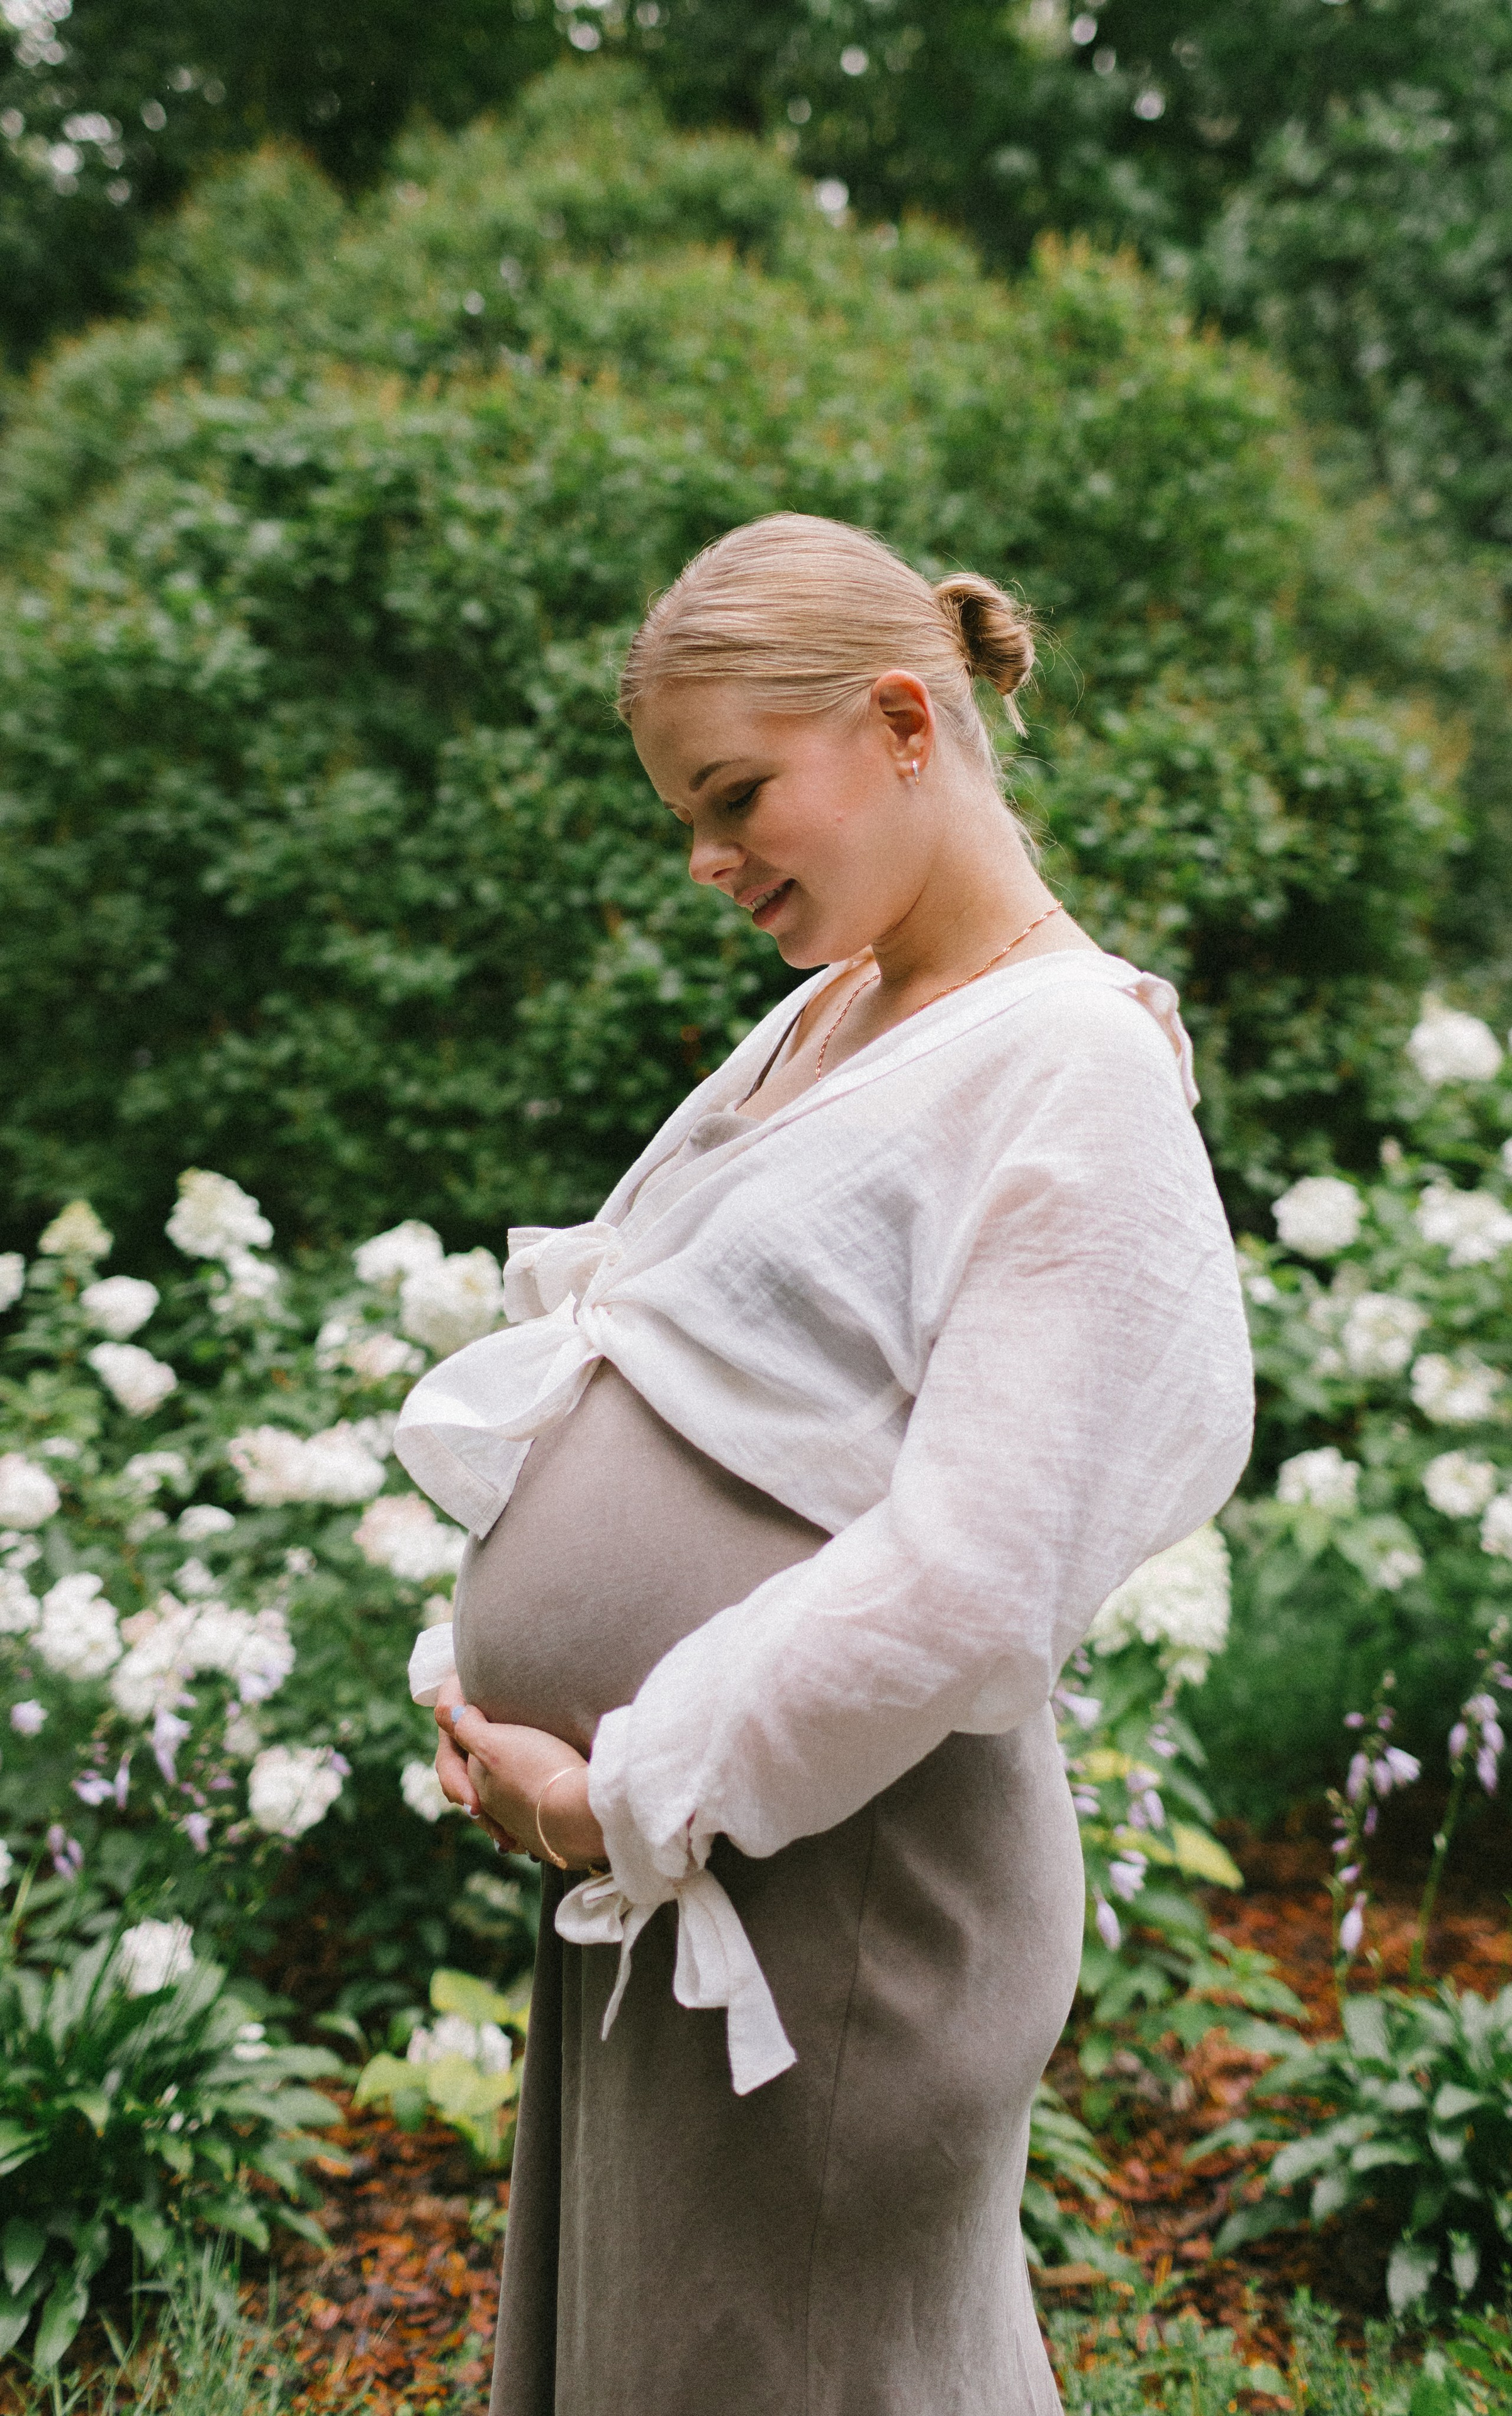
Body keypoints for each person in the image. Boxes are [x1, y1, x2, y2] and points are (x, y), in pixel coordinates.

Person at [395, 512, 1253, 2415]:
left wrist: (613, 1789)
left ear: (898, 720)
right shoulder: (843, 1007)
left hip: (837, 1898)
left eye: (734, 797)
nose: (706, 864)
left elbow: (974, 1577)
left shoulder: (1075, 1064)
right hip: (698, 1872)